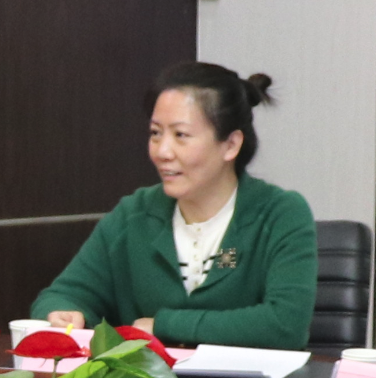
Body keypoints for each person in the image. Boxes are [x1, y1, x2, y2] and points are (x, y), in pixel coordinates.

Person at [31, 62, 317, 350]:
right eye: (156, 133)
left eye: (180, 135)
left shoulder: (280, 213)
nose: (162, 152)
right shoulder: (135, 214)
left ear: (231, 144)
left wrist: (163, 325)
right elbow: (62, 295)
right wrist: (63, 313)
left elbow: (285, 324)